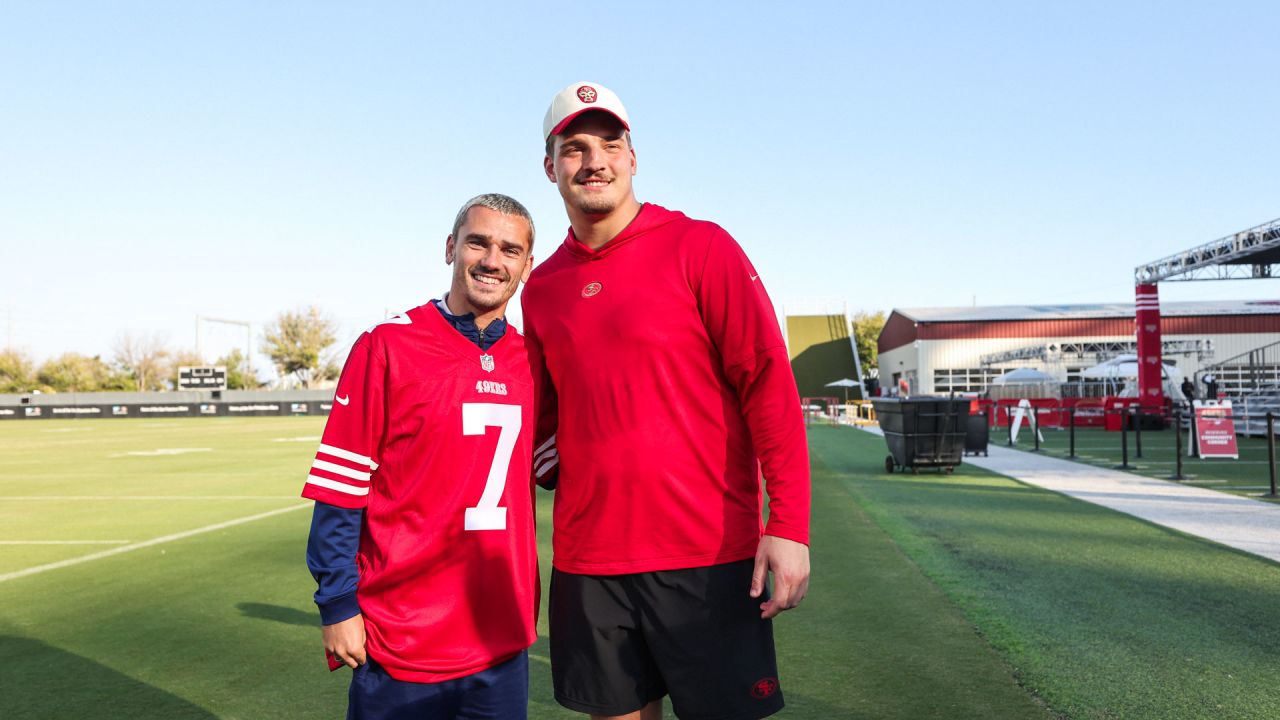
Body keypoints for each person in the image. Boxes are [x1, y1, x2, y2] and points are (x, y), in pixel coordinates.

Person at [522, 82, 811, 720]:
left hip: (706, 555)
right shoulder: (541, 289)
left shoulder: (701, 247)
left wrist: (787, 527)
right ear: (551, 168)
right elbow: (544, 419)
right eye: (573, 148)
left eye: (609, 143)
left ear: (632, 156)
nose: (593, 159)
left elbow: (768, 385)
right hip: (588, 559)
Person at [302, 194, 539, 720]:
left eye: (510, 249)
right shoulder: (386, 345)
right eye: (478, 242)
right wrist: (338, 604)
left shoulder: (533, 361)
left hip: (501, 640)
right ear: (451, 247)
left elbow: (570, 469)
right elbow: (341, 488)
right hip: (400, 638)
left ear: (527, 266)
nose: (491, 260)